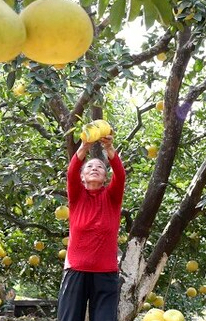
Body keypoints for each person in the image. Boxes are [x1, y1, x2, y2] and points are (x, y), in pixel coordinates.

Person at [58, 132, 126, 321]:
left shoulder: (112, 197)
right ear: (82, 177)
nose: (95, 168)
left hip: (106, 273)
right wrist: (84, 146)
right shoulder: (77, 195)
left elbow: (120, 175)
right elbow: (71, 172)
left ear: (105, 177)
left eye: (100, 167)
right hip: (75, 271)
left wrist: (109, 148)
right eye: (89, 166)